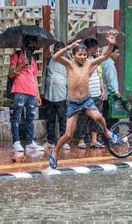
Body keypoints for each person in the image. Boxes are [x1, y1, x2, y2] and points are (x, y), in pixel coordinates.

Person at [49, 33, 119, 169]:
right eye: (79, 54)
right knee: (68, 134)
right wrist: (68, 47)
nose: (82, 57)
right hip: (73, 102)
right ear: (74, 55)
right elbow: (55, 57)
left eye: (84, 54)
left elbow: (105, 56)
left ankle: (106, 132)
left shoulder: (89, 63)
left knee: (98, 117)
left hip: (86, 100)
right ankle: (56, 151)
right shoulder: (69, 64)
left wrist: (110, 44)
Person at [8, 35, 44, 152]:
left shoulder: (32, 59)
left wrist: (37, 94)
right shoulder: (16, 55)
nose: (33, 47)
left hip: (32, 91)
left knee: (30, 118)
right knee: (16, 117)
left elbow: (34, 77)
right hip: (19, 90)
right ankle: (16, 142)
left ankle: (29, 142)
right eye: (31, 44)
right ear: (26, 44)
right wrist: (21, 64)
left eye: (34, 45)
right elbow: (11, 74)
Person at [75, 38, 106, 149]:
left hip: (96, 92)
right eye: (95, 47)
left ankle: (94, 140)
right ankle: (81, 139)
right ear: (90, 48)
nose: (96, 50)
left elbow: (99, 76)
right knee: (83, 117)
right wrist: (95, 65)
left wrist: (102, 90)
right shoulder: (82, 61)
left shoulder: (94, 59)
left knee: (96, 117)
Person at [42, 42, 69, 150]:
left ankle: (64, 142)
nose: (59, 52)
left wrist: (69, 94)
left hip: (62, 95)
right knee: (50, 119)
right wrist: (42, 91)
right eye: (57, 50)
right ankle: (50, 141)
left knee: (63, 119)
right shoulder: (49, 60)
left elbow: (70, 78)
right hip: (49, 94)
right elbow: (44, 75)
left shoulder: (67, 62)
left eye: (61, 50)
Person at [101, 45, 121, 129]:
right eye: (116, 52)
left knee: (108, 117)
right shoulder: (109, 63)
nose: (118, 54)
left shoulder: (107, 62)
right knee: (111, 118)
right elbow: (110, 79)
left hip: (108, 94)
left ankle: (108, 137)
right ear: (110, 53)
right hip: (110, 95)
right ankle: (110, 137)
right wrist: (115, 91)